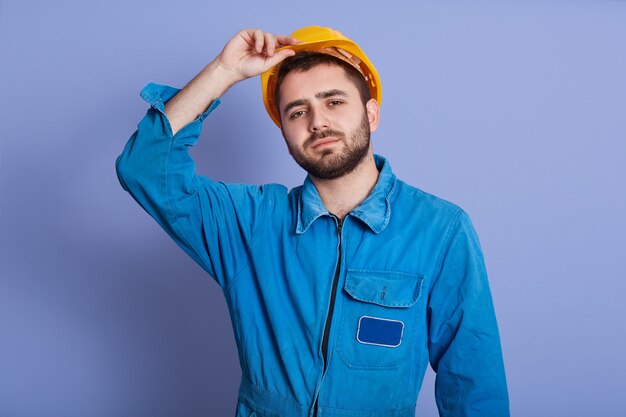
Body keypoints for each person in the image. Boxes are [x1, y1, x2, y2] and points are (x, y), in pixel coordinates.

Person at [116, 26, 509, 417]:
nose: (317, 122)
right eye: (298, 111)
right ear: (284, 131)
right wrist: (224, 71)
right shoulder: (251, 224)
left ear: (371, 114)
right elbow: (143, 169)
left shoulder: (441, 230)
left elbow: (473, 385)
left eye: (334, 101)